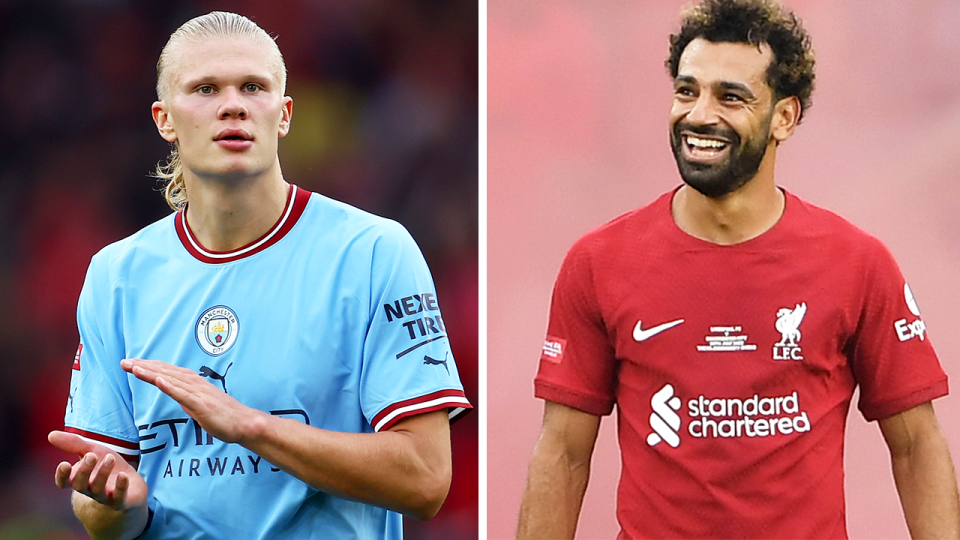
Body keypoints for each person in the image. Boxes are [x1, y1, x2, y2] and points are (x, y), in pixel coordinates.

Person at [516, 0, 960, 538]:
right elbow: (562, 454)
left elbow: (916, 446)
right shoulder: (598, 262)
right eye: (687, 90)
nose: (700, 114)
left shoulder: (858, 263)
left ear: (784, 117)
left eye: (730, 96)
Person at [47, 11, 471, 540]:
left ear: (284, 112)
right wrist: (119, 506)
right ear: (164, 119)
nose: (232, 104)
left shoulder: (373, 253)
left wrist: (251, 427)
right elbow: (103, 515)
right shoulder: (116, 275)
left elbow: (427, 481)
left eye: (253, 87)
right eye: (205, 89)